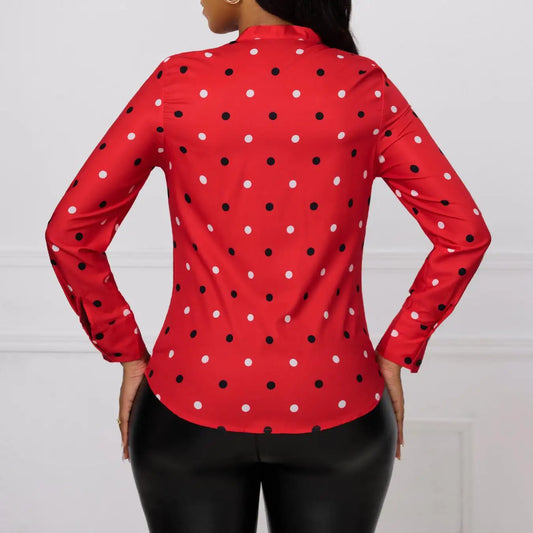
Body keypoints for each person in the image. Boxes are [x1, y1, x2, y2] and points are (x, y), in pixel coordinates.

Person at [44, 0, 492, 531]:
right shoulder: (364, 87)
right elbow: (464, 234)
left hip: (189, 398)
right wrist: (397, 351)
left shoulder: (177, 83)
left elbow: (70, 233)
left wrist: (127, 352)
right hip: (340, 404)